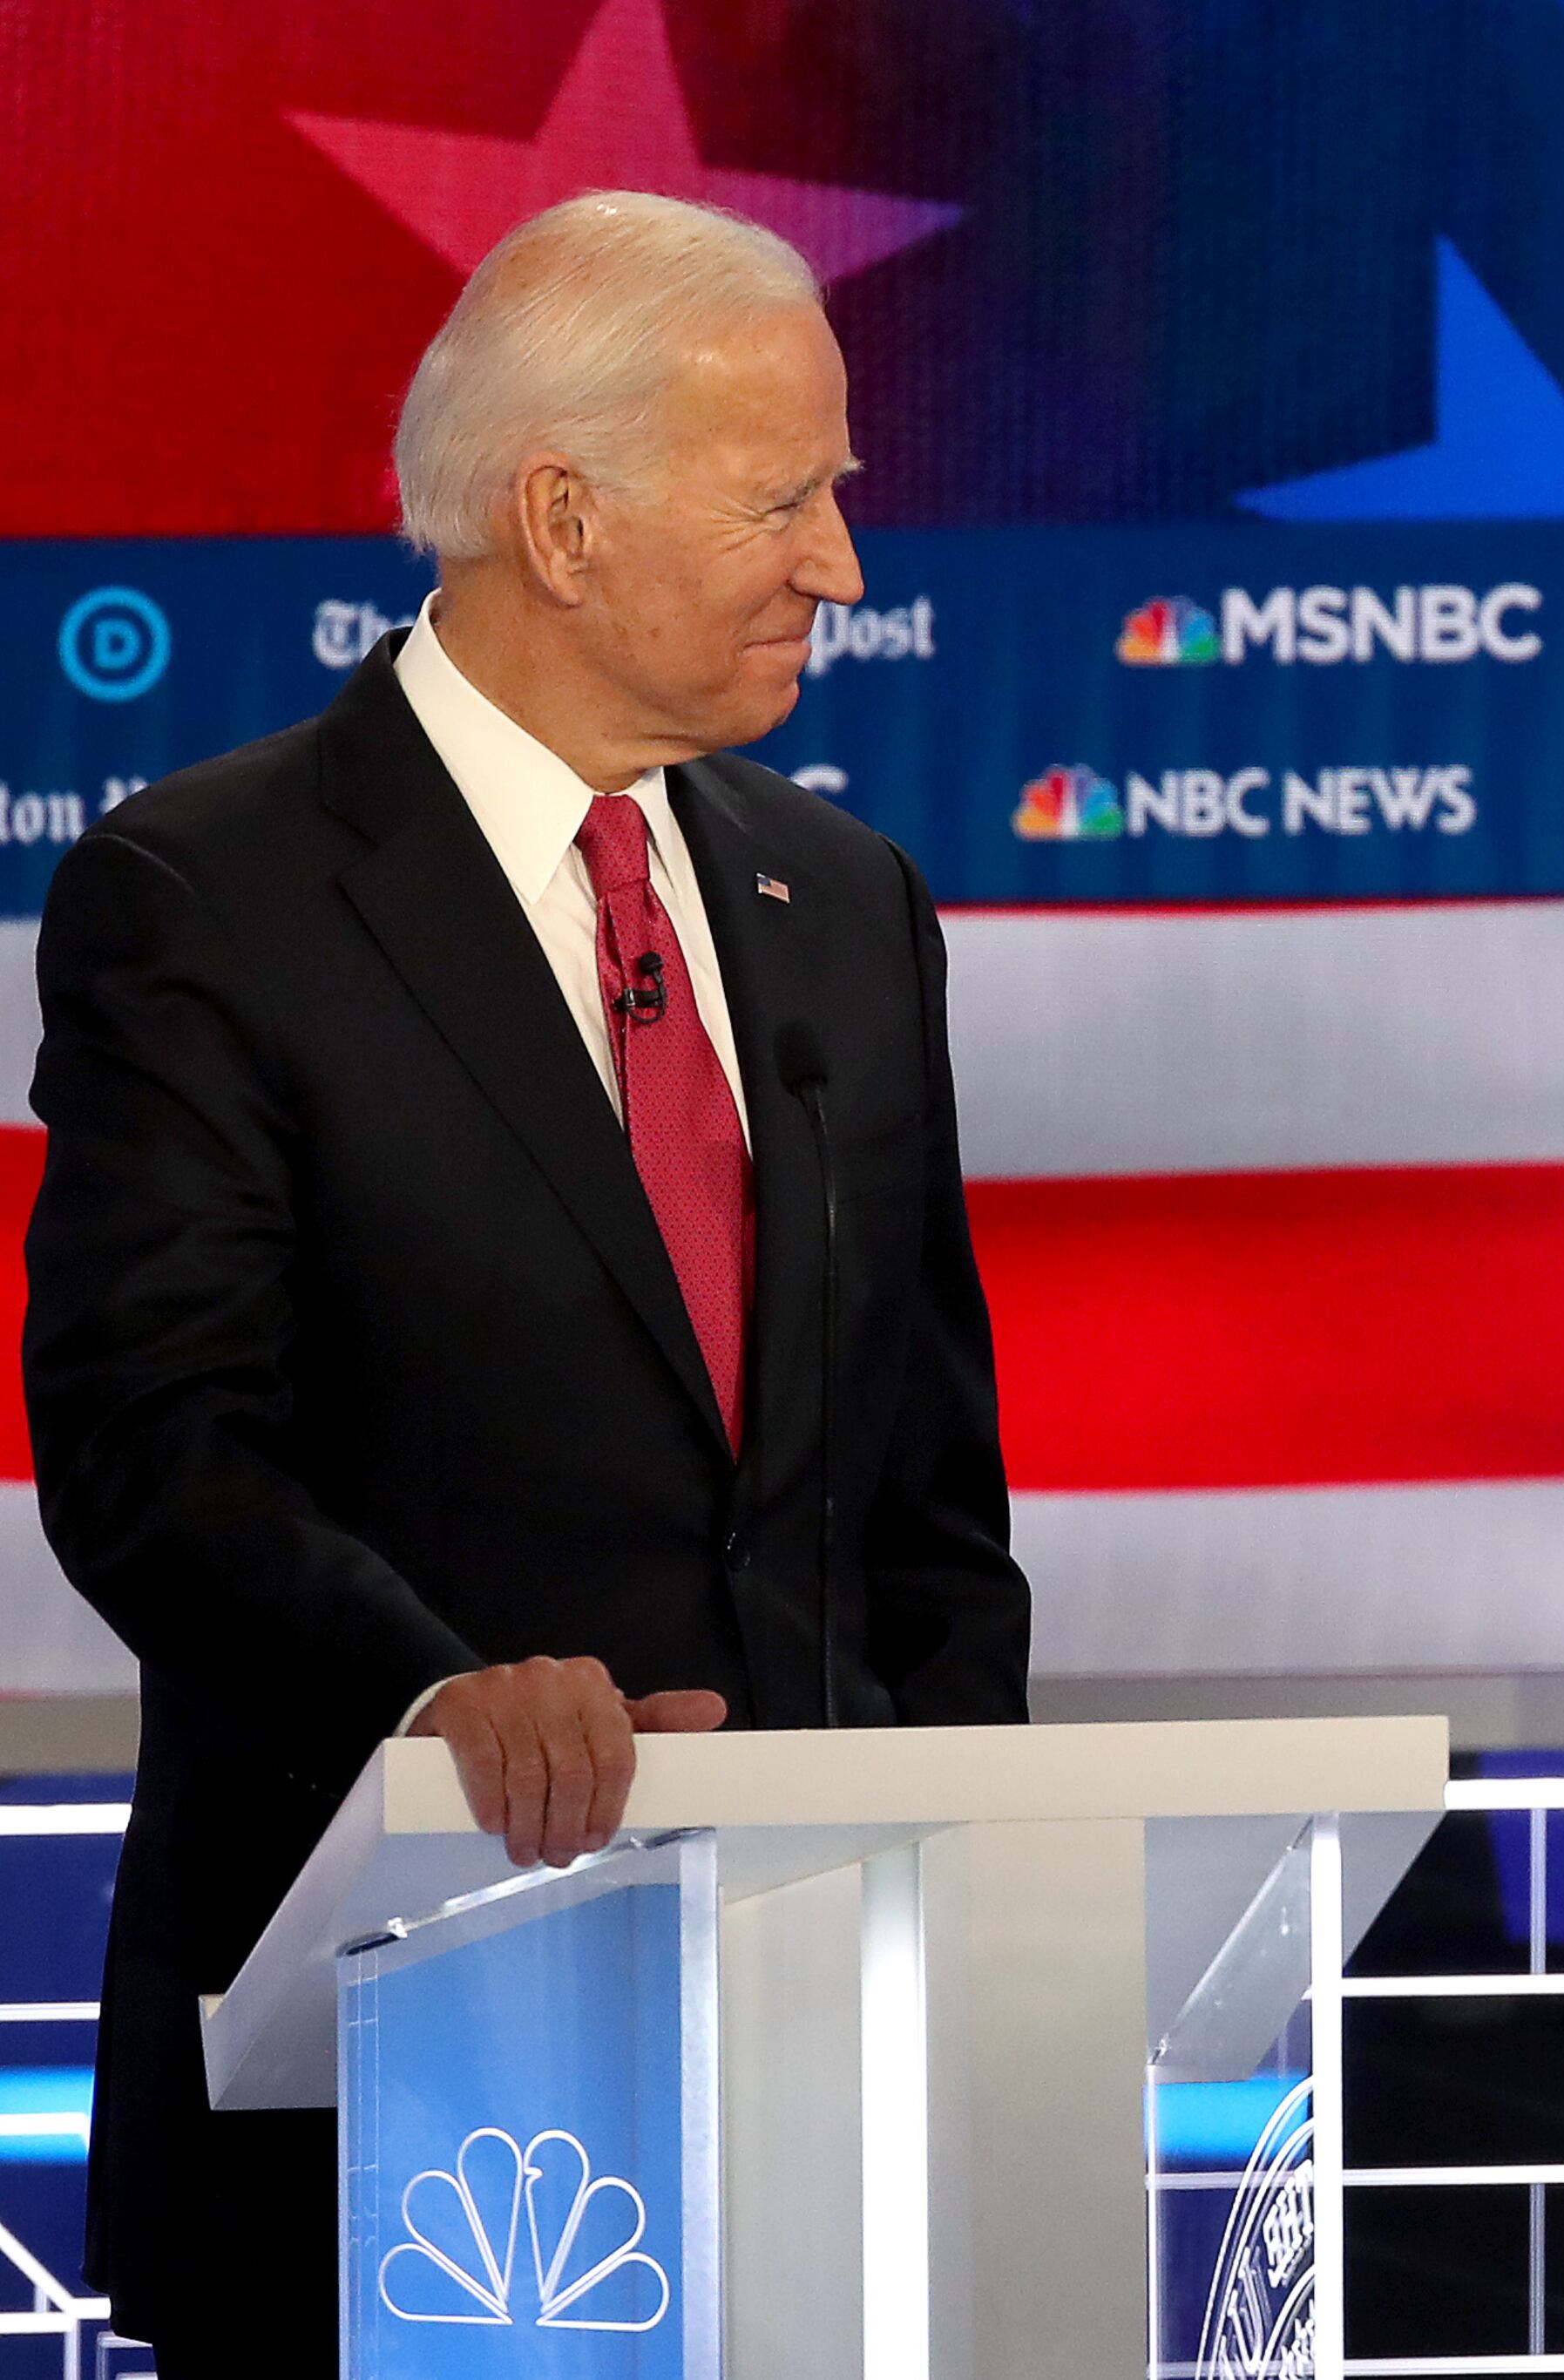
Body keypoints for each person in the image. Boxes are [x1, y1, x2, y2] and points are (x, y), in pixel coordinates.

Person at [21, 191, 1033, 2376]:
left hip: (809, 2085)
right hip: (383, 2089)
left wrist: (984, 1914)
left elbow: (932, 1499)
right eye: (786, 499)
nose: (844, 564)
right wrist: (438, 1694)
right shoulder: (206, 896)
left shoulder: (843, 898)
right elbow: (149, 1447)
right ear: (560, 521)